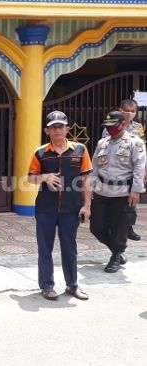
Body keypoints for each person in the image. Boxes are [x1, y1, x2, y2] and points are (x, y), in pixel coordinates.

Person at [27, 111, 92, 301]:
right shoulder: (40, 153)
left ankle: (72, 285)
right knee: (45, 248)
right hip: (45, 208)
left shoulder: (80, 150)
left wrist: (87, 206)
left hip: (72, 208)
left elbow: (87, 178)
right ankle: (47, 286)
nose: (57, 130)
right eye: (53, 127)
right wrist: (44, 177)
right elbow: (30, 178)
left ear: (67, 129)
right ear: (47, 131)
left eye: (60, 126)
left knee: (70, 247)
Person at [90, 111, 146, 273]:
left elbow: (139, 167)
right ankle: (117, 250)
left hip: (123, 193)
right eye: (107, 127)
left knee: (119, 227)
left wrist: (136, 191)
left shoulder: (135, 143)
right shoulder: (102, 143)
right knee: (96, 227)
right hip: (102, 191)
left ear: (123, 125)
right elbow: (94, 167)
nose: (110, 129)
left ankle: (115, 256)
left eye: (113, 126)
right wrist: (92, 187)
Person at [101, 99, 146, 241]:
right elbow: (104, 148)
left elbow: (143, 149)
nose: (129, 114)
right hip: (116, 169)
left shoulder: (138, 127)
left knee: (131, 201)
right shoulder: (110, 126)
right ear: (120, 110)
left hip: (134, 169)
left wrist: (144, 169)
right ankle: (113, 226)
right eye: (127, 110)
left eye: (133, 111)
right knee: (115, 201)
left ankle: (129, 227)